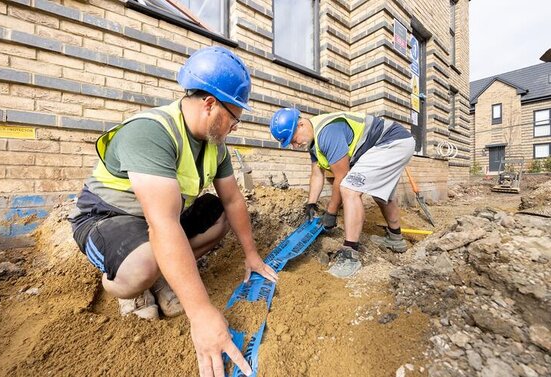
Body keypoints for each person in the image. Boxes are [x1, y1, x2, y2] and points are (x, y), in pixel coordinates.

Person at [69, 46, 278, 376]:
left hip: (160, 219)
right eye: (235, 116)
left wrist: (251, 254)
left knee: (219, 215)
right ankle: (129, 287)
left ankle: (164, 274)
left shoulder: (215, 145)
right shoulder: (151, 132)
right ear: (210, 104)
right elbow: (162, 224)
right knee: (144, 263)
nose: (235, 126)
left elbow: (234, 200)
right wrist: (202, 314)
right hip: (107, 218)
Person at [269, 108, 415, 277]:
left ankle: (350, 253)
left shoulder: (327, 132)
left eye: (293, 140)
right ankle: (396, 239)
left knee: (349, 188)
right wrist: (311, 203)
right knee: (380, 192)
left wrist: (331, 212)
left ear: (301, 125)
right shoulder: (313, 142)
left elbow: (342, 176)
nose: (295, 145)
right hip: (394, 142)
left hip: (392, 142)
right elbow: (317, 174)